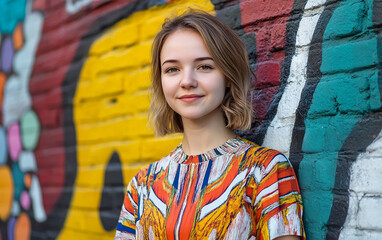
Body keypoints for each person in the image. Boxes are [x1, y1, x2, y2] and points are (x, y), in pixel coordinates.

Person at [115, 10, 305, 240]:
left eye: (204, 66)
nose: (187, 81)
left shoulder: (265, 171)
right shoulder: (142, 185)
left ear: (227, 76)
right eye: (172, 69)